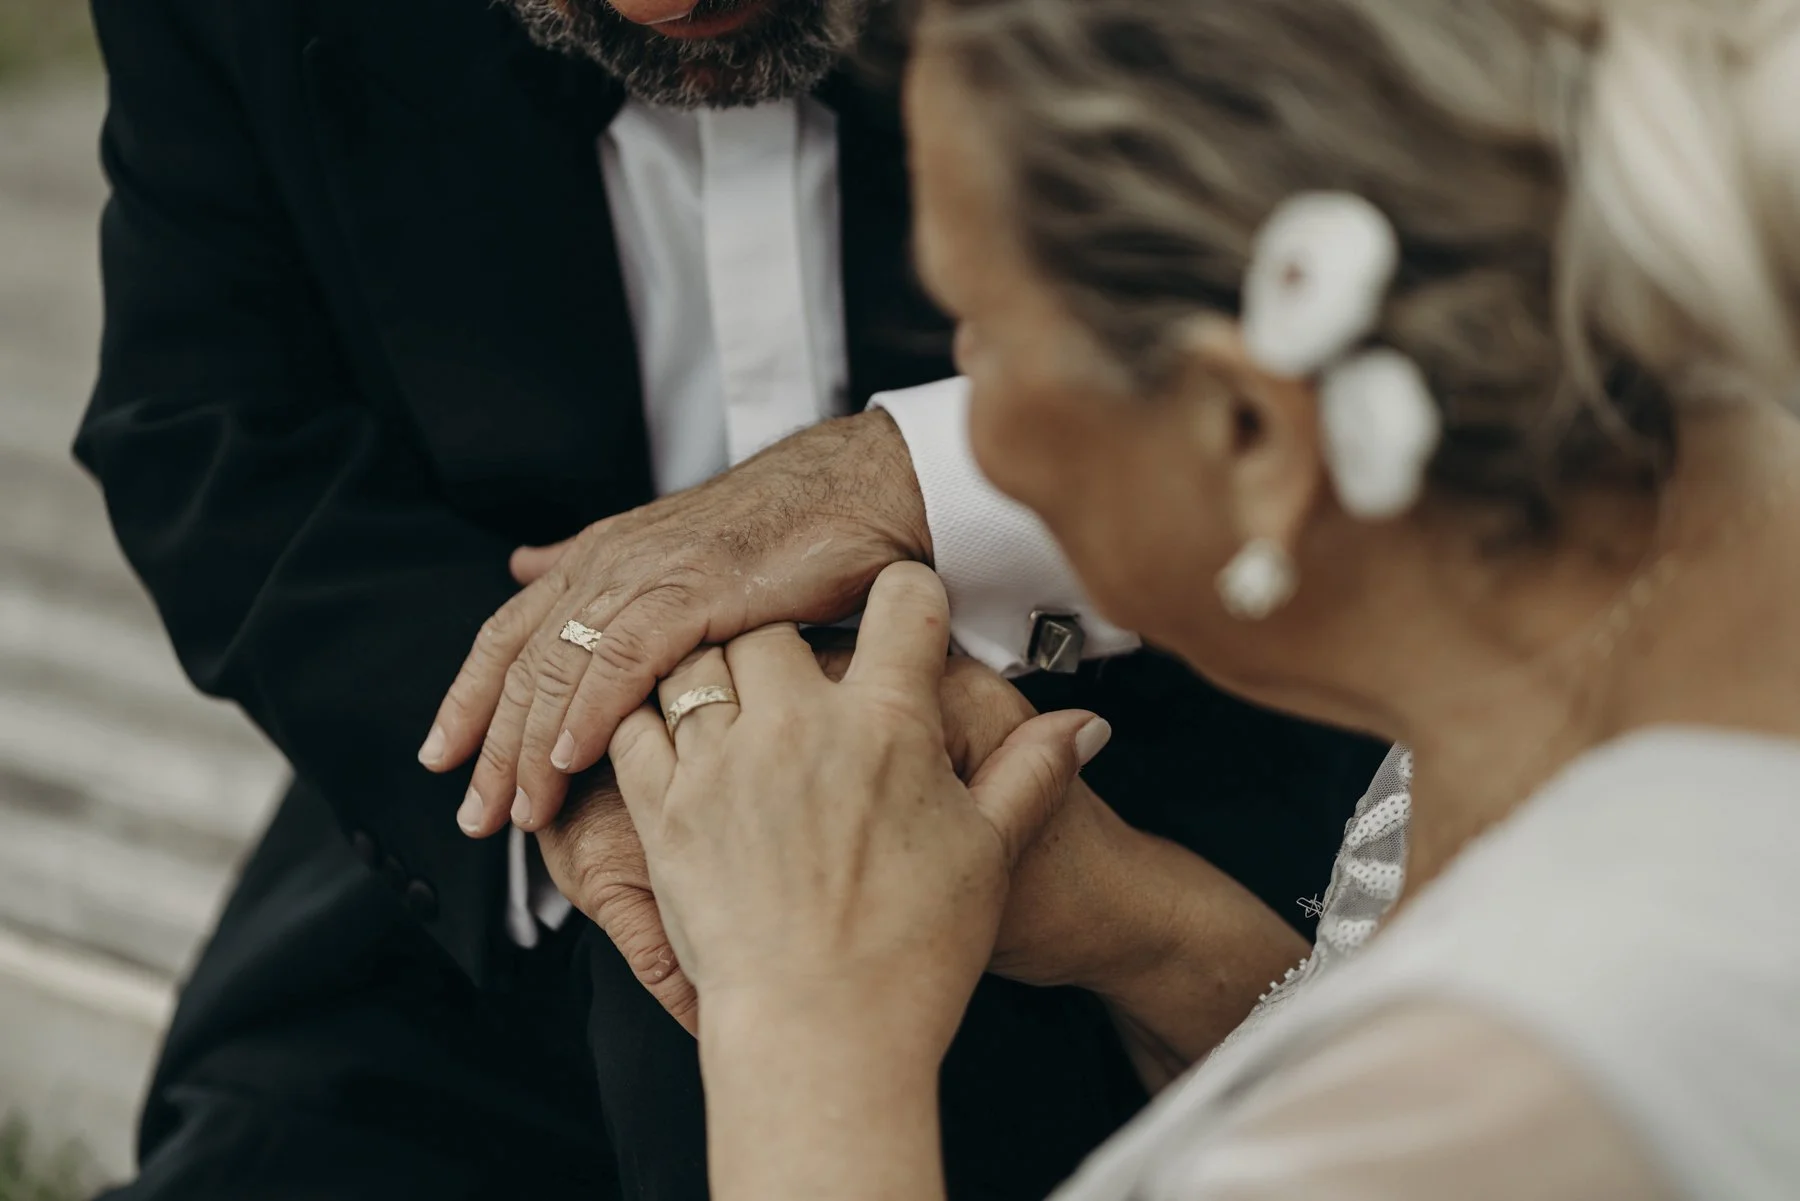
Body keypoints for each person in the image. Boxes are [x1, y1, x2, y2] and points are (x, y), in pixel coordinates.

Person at [76, 0, 1383, 1197]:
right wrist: (587, 763)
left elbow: (1402, 325)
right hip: (510, 859)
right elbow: (209, 429)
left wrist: (916, 478)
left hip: (1161, 760)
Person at [601, 0, 1800, 1197]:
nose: (959, 426)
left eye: (988, 339)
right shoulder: (1619, 689)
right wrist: (1143, 927)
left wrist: (811, 1009)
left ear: (1248, 431)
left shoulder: (1520, 1082)